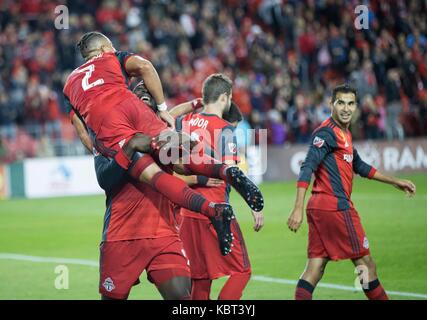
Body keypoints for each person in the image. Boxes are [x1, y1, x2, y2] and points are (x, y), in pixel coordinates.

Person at [63, 31, 264, 255]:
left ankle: (213, 211)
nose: (112, 48)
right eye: (110, 46)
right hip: (132, 107)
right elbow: (146, 67)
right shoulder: (113, 58)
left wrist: (99, 150)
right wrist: (161, 107)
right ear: (102, 50)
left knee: (152, 175)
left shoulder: (70, 83)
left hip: (110, 126)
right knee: (178, 157)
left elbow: (81, 129)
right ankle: (228, 172)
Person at [287, 84, 416, 300]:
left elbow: (360, 165)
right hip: (336, 209)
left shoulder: (343, 133)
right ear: (331, 104)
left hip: (320, 210)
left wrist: (395, 181)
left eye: (351, 103)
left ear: (355, 106)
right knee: (366, 265)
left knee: (315, 269)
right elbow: (307, 167)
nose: (346, 109)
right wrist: (297, 208)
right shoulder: (326, 133)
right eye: (341, 103)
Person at [174, 74, 265, 300]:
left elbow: (164, 116)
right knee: (242, 271)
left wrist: (193, 105)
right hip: (215, 210)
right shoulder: (224, 129)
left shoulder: (184, 122)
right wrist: (253, 204)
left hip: (188, 210)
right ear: (224, 98)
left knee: (201, 278)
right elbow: (231, 172)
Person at [93, 134, 191, 300]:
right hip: (121, 236)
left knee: (182, 298)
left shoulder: (161, 131)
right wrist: (130, 147)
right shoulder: (106, 135)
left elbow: (184, 167)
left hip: (163, 233)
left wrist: (187, 140)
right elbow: (105, 179)